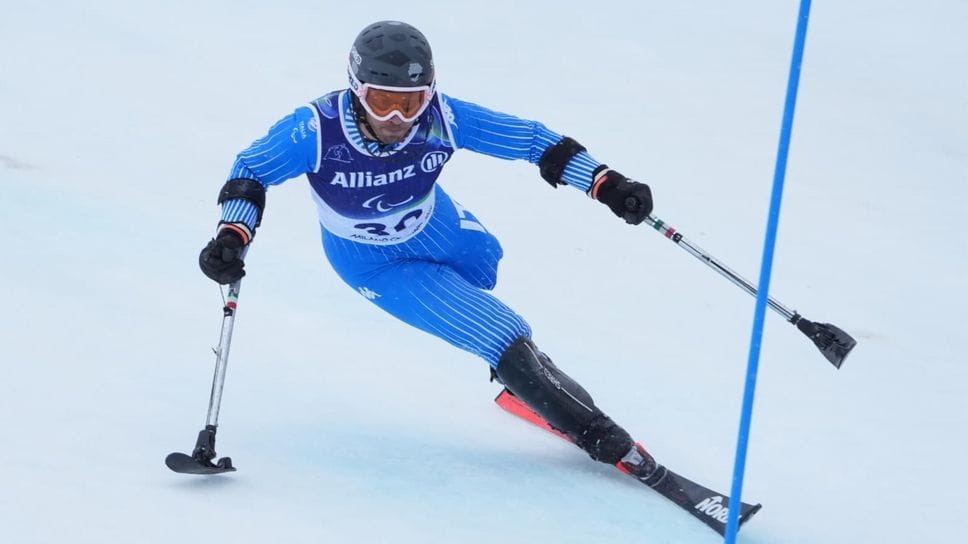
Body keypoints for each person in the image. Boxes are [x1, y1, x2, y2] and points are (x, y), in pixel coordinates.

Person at [198, 20, 658, 481]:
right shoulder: (315, 131)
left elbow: (533, 141)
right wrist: (232, 236)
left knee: (484, 267)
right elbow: (251, 171)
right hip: (372, 261)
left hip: (435, 225)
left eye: (411, 103)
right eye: (382, 101)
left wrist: (607, 185)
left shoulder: (443, 119)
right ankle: (596, 432)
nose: (397, 120)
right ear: (356, 89)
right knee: (499, 332)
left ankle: (526, 379)